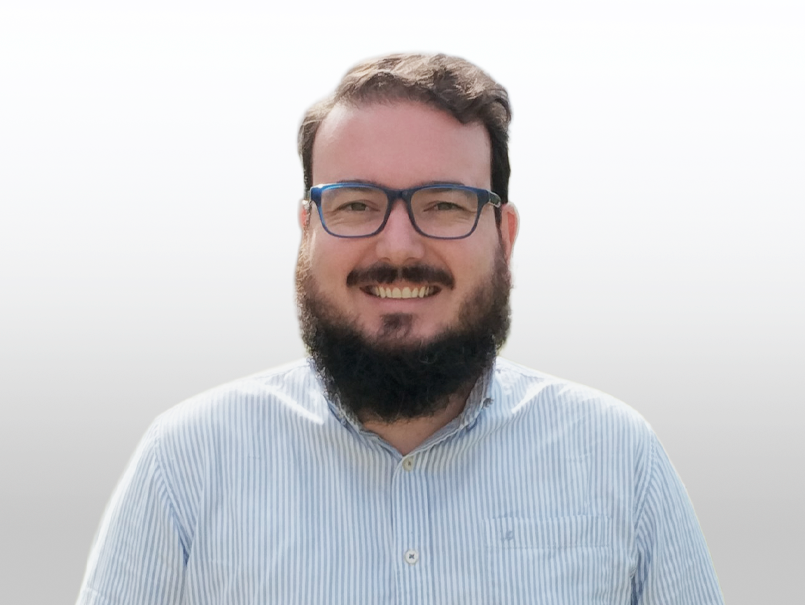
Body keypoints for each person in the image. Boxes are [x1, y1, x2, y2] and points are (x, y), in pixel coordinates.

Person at [76, 53, 723, 604]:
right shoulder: (187, 464)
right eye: (356, 204)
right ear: (307, 231)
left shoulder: (617, 457)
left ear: (504, 237)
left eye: (443, 204)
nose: (398, 246)